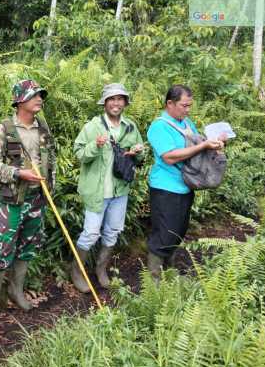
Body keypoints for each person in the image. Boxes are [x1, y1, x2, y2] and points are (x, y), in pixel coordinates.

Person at [0, 80, 56, 328]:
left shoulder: (42, 127)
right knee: (1, 249)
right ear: (20, 101)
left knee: (28, 246)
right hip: (14, 201)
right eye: (34, 95)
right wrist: (18, 174)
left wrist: (50, 187)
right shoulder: (5, 129)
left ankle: (16, 291)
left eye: (41, 95)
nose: (40, 99)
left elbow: (50, 156)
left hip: (38, 199)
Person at [70, 83, 145, 292]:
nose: (116, 103)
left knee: (112, 232)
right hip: (96, 191)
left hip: (120, 191)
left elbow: (140, 157)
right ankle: (77, 271)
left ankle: (101, 269)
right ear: (105, 102)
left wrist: (137, 152)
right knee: (91, 233)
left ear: (125, 103)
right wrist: (96, 145)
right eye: (112, 99)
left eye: (120, 99)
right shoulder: (93, 127)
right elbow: (79, 154)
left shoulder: (130, 127)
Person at [146, 84, 225, 280]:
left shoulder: (186, 122)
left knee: (178, 231)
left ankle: (169, 272)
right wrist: (204, 145)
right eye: (184, 105)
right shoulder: (159, 126)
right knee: (164, 233)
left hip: (184, 187)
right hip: (165, 188)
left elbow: (199, 146)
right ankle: (153, 281)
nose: (188, 110)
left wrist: (214, 142)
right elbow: (170, 157)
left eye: (190, 105)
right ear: (170, 103)